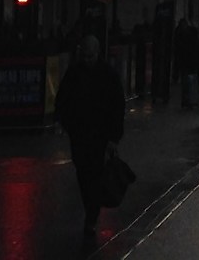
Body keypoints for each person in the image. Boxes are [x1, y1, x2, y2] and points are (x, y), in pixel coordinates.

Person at [52, 35, 127, 245]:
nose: (87, 59)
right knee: (85, 172)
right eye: (85, 55)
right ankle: (91, 210)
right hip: (83, 132)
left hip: (93, 134)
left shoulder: (86, 74)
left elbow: (116, 106)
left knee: (89, 173)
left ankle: (91, 213)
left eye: (90, 55)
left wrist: (113, 137)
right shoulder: (100, 74)